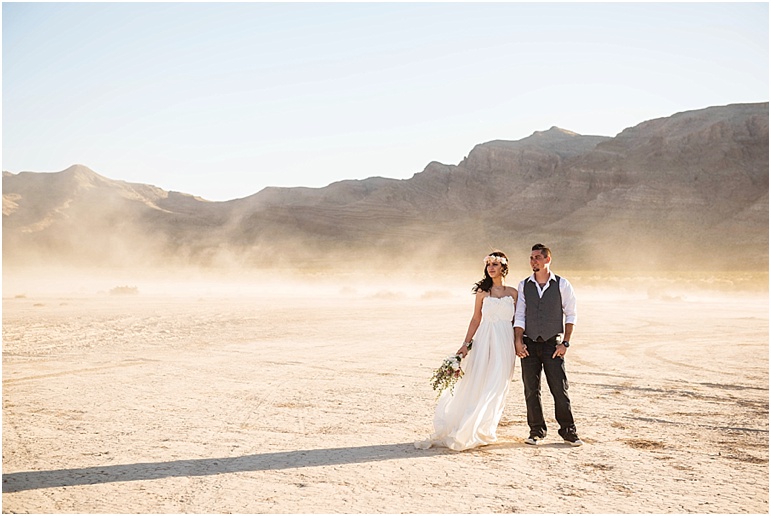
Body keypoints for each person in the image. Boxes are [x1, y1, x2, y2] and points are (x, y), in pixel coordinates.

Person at [415, 251, 518, 451]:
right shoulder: (482, 292)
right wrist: (466, 343)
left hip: (505, 342)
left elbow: (518, 321)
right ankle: (470, 426)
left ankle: (486, 427)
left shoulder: (514, 293)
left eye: (495, 264)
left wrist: (518, 341)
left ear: (504, 267)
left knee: (498, 384)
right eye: (489, 264)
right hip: (485, 339)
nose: (491, 268)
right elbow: (476, 319)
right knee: (479, 380)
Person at [513, 243, 583, 446]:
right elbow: (520, 315)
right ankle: (536, 431)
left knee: (559, 389)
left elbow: (571, 314)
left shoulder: (562, 284)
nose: (533, 261)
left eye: (537, 257)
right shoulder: (524, 284)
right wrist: (518, 341)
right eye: (531, 258)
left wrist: (566, 343)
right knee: (531, 390)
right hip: (529, 344)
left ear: (547, 260)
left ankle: (569, 431)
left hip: (553, 345)